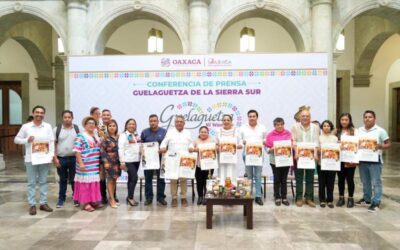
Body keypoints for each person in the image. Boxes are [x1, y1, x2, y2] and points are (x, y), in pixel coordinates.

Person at [14, 105, 54, 215]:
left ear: (44, 114)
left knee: (43, 181)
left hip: (44, 158)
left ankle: (43, 203)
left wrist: (51, 155)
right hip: (30, 158)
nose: (39, 115)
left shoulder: (47, 126)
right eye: (37, 112)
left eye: (41, 113)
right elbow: (16, 139)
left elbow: (51, 141)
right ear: (33, 113)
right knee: (31, 183)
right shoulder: (26, 127)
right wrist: (27, 140)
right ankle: (32, 204)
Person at [356, 110, 391, 212]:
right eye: (365, 117)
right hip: (362, 160)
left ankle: (376, 202)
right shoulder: (359, 130)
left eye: (370, 117)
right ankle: (367, 199)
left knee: (376, 182)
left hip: (375, 161)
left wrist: (381, 146)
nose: (367, 119)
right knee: (365, 182)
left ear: (375, 119)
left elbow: (388, 144)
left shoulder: (380, 131)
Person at [160, 115, 193, 207]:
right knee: (173, 178)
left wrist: (191, 148)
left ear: (184, 123)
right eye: (177, 122)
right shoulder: (170, 132)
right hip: (172, 159)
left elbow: (191, 143)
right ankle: (174, 198)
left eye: (181, 122)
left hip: (184, 159)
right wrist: (162, 147)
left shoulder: (188, 132)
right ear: (175, 123)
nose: (179, 123)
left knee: (183, 178)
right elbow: (164, 141)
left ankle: (183, 197)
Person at [291, 109, 320, 207]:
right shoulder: (295, 127)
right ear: (300, 117)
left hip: (311, 156)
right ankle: (299, 198)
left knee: (310, 178)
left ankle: (309, 198)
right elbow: (294, 141)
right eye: (303, 116)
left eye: (307, 116)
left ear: (310, 117)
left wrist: (316, 153)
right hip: (299, 156)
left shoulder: (315, 127)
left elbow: (316, 141)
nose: (305, 118)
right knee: (299, 178)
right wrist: (295, 152)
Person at [73, 116, 102, 212]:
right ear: (85, 125)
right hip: (84, 165)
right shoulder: (80, 136)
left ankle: (93, 201)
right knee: (85, 185)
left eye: (93, 123)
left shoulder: (95, 136)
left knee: (93, 183)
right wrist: (81, 163)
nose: (91, 125)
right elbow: (77, 151)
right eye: (89, 123)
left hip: (94, 165)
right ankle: (85, 203)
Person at [53, 110, 80, 208]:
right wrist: (55, 158)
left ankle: (76, 197)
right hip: (61, 159)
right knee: (63, 179)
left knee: (74, 180)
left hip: (74, 159)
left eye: (69, 117)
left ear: (72, 118)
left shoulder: (77, 129)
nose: (67, 119)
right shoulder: (57, 129)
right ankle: (61, 198)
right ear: (62, 118)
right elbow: (53, 145)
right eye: (65, 117)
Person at [240, 110, 267, 206]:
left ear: (257, 117)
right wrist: (242, 142)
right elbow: (239, 140)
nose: (252, 118)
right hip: (247, 154)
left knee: (258, 175)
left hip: (258, 155)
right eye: (250, 116)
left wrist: (264, 141)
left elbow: (265, 139)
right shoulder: (243, 127)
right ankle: (249, 194)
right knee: (249, 176)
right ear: (248, 117)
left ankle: (258, 196)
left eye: (254, 116)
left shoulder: (262, 127)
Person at [140, 114, 167, 206]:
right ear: (149, 122)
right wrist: (141, 149)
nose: (153, 122)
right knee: (148, 179)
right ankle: (149, 198)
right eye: (151, 121)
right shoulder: (144, 132)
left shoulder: (164, 132)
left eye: (154, 121)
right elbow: (141, 145)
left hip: (161, 158)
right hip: (148, 159)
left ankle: (160, 197)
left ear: (158, 121)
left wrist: (164, 149)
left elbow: (167, 145)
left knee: (161, 178)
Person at [265, 117, 292, 206]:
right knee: (277, 179)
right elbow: (266, 148)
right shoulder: (270, 135)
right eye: (277, 125)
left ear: (283, 125)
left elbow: (292, 146)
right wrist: (270, 149)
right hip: (274, 161)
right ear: (274, 126)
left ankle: (284, 197)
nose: (279, 126)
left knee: (284, 179)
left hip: (285, 160)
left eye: (281, 124)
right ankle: (277, 197)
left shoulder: (288, 134)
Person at [189, 126, 216, 205]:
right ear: (199, 133)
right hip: (198, 165)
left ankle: (206, 197)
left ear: (208, 133)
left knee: (207, 182)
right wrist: (192, 149)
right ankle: (200, 197)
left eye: (205, 132)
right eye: (202, 132)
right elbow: (190, 147)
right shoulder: (196, 141)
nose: (203, 133)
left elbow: (216, 149)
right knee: (199, 182)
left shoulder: (212, 140)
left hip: (209, 166)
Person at [336, 113, 358, 208]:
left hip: (350, 159)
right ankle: (341, 197)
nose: (344, 121)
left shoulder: (354, 131)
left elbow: (357, 144)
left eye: (346, 120)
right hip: (339, 158)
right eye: (342, 120)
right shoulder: (336, 131)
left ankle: (350, 198)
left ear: (349, 120)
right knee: (340, 179)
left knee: (350, 179)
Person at [118, 118, 141, 206]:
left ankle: (129, 197)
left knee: (131, 178)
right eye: (130, 124)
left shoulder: (135, 135)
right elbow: (121, 149)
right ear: (126, 125)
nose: (132, 125)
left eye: (133, 124)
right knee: (134, 177)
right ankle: (130, 198)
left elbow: (137, 146)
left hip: (136, 160)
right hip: (128, 161)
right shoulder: (123, 135)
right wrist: (122, 162)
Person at [100, 119, 121, 208]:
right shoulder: (105, 138)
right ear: (107, 128)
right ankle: (111, 199)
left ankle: (113, 198)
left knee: (114, 180)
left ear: (116, 127)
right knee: (110, 180)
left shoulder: (119, 137)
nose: (112, 127)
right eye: (110, 126)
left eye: (114, 126)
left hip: (118, 162)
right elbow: (102, 151)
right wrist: (105, 162)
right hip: (109, 162)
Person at [216, 114, 243, 185]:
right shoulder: (218, 131)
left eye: (228, 120)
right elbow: (216, 143)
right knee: (222, 172)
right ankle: (221, 187)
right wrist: (217, 147)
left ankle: (232, 189)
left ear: (231, 121)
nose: (226, 122)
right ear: (222, 121)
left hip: (232, 157)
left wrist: (232, 147)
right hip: (222, 157)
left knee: (232, 172)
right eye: (224, 120)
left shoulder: (236, 131)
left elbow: (241, 144)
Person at [318, 120, 338, 208]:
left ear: (331, 127)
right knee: (321, 183)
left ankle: (330, 200)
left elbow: (337, 151)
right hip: (321, 163)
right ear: (322, 127)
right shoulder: (318, 138)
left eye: (328, 126)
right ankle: (322, 200)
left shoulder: (335, 138)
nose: (326, 127)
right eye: (324, 126)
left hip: (332, 164)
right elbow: (317, 150)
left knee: (330, 183)